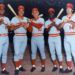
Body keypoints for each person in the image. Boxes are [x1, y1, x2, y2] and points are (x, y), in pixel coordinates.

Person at [10, 5, 29, 75]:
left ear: (23, 11)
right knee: (17, 53)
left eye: (22, 10)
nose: (21, 11)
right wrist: (19, 25)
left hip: (24, 37)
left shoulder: (26, 19)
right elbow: (11, 28)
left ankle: (20, 66)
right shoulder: (14, 18)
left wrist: (25, 25)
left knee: (21, 53)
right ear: (18, 11)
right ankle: (17, 68)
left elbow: (29, 29)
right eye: (20, 10)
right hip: (17, 37)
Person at [45, 8, 64, 73]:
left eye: (52, 12)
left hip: (57, 37)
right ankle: (55, 66)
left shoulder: (58, 20)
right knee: (52, 52)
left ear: (54, 13)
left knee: (58, 52)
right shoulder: (47, 22)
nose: (51, 13)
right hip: (50, 38)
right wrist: (50, 26)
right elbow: (46, 31)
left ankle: (61, 67)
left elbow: (60, 30)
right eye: (50, 12)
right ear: (49, 13)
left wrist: (55, 24)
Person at [58, 3, 75, 73]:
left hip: (73, 36)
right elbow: (59, 27)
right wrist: (63, 22)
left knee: (74, 53)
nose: (68, 9)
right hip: (66, 37)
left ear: (72, 9)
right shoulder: (63, 17)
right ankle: (69, 68)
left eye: (69, 8)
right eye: (67, 8)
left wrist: (69, 20)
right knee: (67, 53)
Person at [29, 8, 46, 72]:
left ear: (38, 13)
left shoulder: (41, 19)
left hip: (40, 37)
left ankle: (43, 66)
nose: (35, 13)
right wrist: (29, 24)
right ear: (32, 14)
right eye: (33, 12)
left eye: (36, 12)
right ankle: (33, 66)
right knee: (33, 53)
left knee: (42, 52)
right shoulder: (31, 20)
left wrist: (31, 22)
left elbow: (39, 26)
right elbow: (30, 30)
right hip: (33, 37)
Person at [0, 3, 10, 74]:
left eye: (3, 7)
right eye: (0, 7)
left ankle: (3, 69)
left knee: (4, 54)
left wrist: (8, 26)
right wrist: (0, 22)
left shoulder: (7, 18)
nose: (2, 9)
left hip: (6, 37)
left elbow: (10, 29)